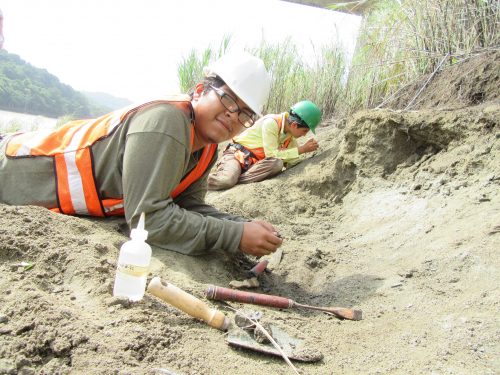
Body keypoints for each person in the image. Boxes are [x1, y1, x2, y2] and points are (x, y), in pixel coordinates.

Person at [0, 51, 283, 257]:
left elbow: (187, 205)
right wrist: (235, 237)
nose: (233, 115)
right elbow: (148, 220)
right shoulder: (166, 122)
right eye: (227, 98)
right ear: (199, 91)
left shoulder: (206, 149)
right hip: (12, 171)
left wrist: (238, 224)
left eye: (245, 113)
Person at [207, 100, 322, 190]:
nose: (304, 135)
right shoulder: (271, 123)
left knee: (277, 163)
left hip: (254, 166)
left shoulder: (290, 137)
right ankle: (196, 182)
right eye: (304, 131)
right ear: (295, 125)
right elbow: (271, 154)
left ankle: (235, 178)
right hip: (237, 156)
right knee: (226, 180)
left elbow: (293, 163)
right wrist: (301, 149)